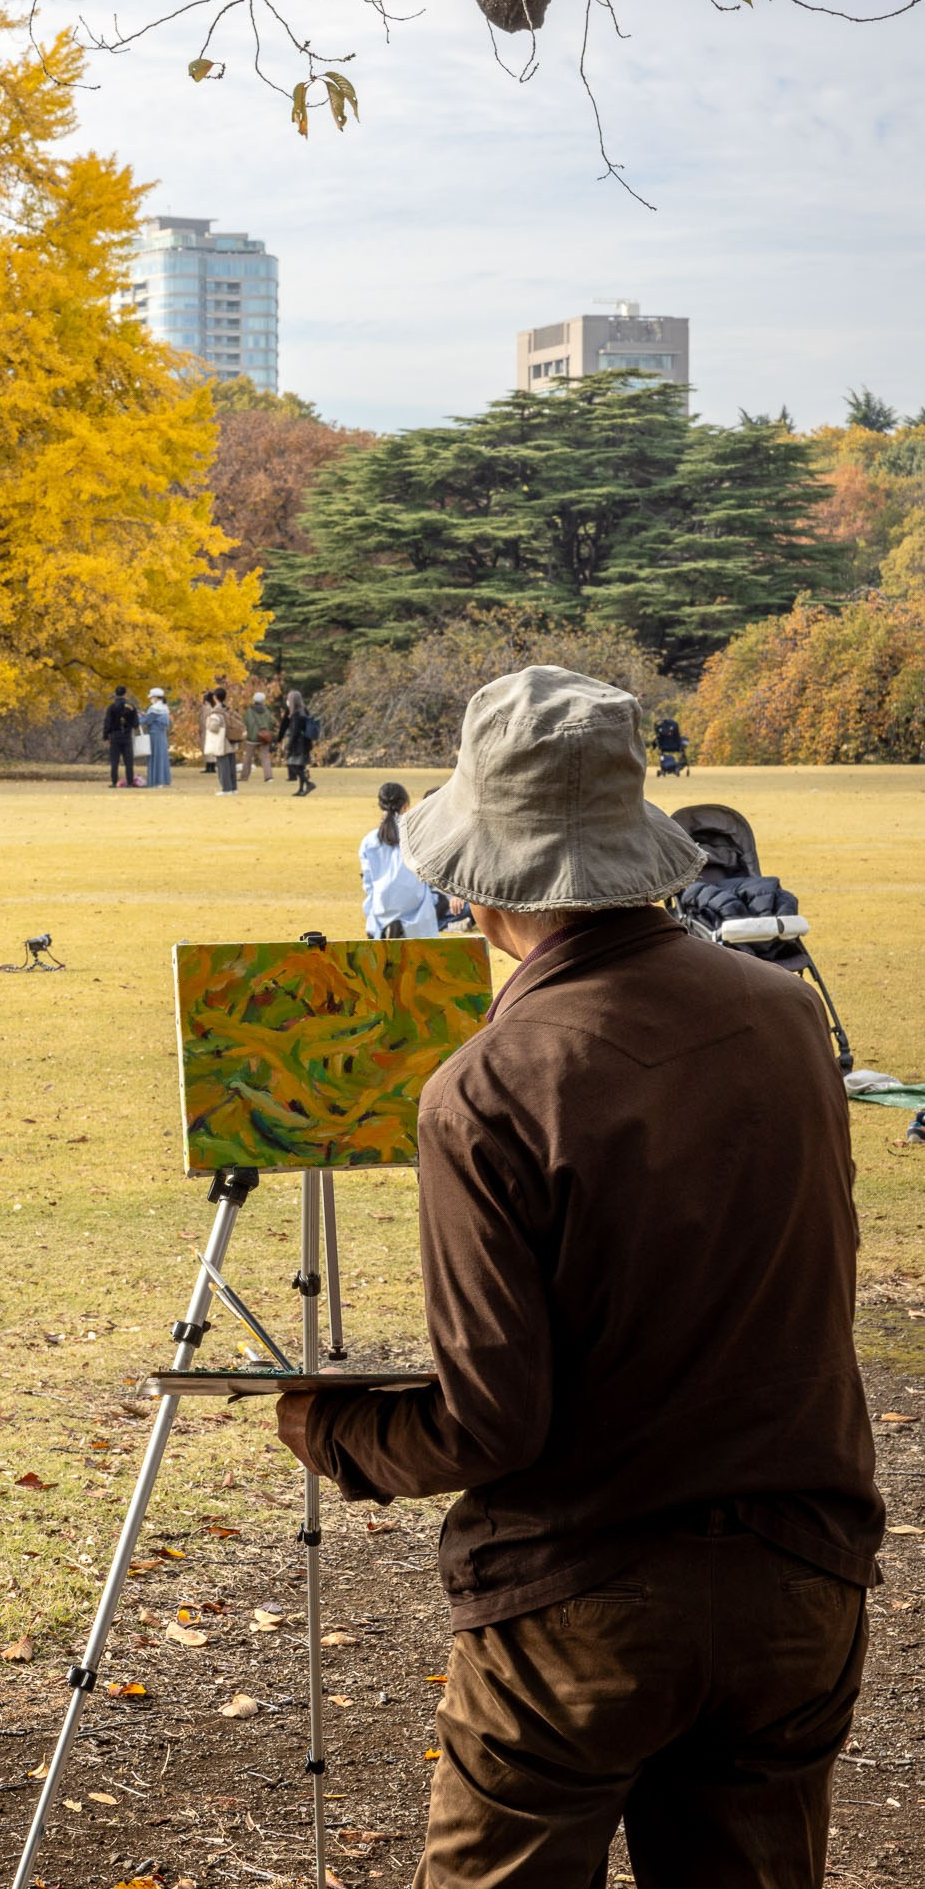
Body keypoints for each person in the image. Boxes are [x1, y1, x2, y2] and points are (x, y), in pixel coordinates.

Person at [275, 665, 881, 1889]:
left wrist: (331, 1427)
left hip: (581, 1596)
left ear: (473, 883)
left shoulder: (490, 1085)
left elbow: (492, 1421)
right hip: (800, 1580)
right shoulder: (785, 1019)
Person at [358, 782, 439, 938]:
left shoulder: (369, 841)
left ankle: (387, 926)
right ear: (406, 806)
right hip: (417, 909)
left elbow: (368, 883)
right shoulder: (419, 837)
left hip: (382, 907)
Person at [278, 689, 316, 795]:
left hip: (298, 744)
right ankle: (301, 789)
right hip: (305, 743)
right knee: (301, 767)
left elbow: (295, 731)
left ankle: (308, 783)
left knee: (292, 765)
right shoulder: (304, 711)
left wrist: (289, 745)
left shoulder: (296, 714)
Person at [102, 685, 139, 788]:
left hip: (115, 736)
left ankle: (114, 782)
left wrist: (106, 736)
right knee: (129, 761)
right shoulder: (131, 707)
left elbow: (107, 722)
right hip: (127, 736)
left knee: (114, 761)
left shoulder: (112, 707)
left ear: (116, 694)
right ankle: (130, 782)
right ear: (125, 694)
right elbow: (136, 723)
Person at [203, 691, 236, 793]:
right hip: (232, 740)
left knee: (223, 766)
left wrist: (207, 723)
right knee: (231, 767)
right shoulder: (228, 709)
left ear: (215, 697)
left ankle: (226, 789)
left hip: (222, 742)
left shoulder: (216, 712)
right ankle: (233, 788)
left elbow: (214, 727)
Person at [240, 691, 276, 783]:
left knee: (248, 758)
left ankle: (244, 777)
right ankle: (268, 777)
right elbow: (271, 723)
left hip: (252, 737)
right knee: (265, 757)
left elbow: (245, 722)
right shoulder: (266, 711)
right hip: (264, 737)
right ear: (263, 701)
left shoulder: (249, 711)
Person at [143, 688, 173, 788]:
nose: (150, 699)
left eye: (151, 697)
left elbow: (148, 720)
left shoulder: (154, 708)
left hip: (154, 734)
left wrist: (137, 718)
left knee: (155, 756)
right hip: (162, 735)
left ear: (155, 697)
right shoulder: (164, 707)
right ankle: (163, 779)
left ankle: (156, 781)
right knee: (162, 756)